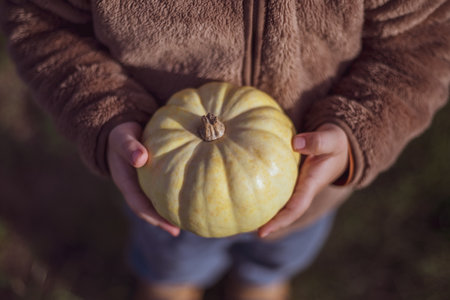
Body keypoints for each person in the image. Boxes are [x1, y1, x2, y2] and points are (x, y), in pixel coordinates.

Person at [1, 1, 449, 299]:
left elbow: (424, 40)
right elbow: (40, 20)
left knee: (272, 266)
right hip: (167, 197)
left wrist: (359, 128)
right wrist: (104, 112)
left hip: (310, 194)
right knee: (170, 270)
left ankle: (261, 282)